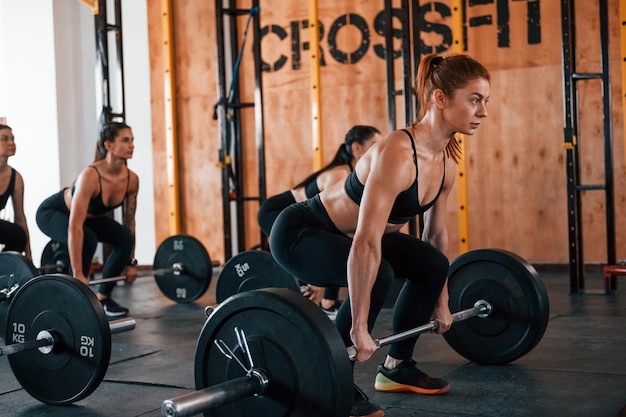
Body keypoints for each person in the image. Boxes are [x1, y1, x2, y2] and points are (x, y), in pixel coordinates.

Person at [270, 53, 490, 417]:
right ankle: (334, 381)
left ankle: (396, 367)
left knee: (432, 263)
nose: (482, 111)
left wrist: (442, 301)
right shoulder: (398, 152)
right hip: (302, 232)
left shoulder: (446, 163)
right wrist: (357, 325)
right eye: (474, 99)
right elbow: (367, 242)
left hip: (354, 236)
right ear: (440, 98)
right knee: (379, 273)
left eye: (485, 102)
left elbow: (435, 237)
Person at [258, 125, 382, 320]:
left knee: (337, 243)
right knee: (321, 249)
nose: (378, 150)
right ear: (357, 148)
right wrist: (315, 279)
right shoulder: (339, 174)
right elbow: (329, 225)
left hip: (299, 219)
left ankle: (327, 303)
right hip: (276, 212)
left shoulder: (355, 172)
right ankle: (305, 307)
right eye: (374, 145)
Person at [36, 121, 139, 318]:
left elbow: (130, 222)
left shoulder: (131, 180)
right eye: (125, 140)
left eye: (132, 140)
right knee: (88, 239)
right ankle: (67, 300)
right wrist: (78, 273)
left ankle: (103, 298)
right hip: (53, 213)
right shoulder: (91, 176)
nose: (131, 145)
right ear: (108, 145)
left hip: (88, 219)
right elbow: (75, 226)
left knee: (124, 237)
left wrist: (130, 262)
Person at [0, 124, 32, 259]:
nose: (11, 143)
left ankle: (4, 267)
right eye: (5, 139)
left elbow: (20, 218)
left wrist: (29, 257)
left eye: (13, 139)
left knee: (18, 236)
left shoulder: (16, 178)